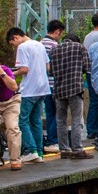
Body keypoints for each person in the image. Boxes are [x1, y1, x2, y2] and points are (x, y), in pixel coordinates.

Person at [7, 27, 49, 164]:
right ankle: (39, 152)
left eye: (12, 43)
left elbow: (24, 69)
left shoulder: (23, 47)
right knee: (36, 121)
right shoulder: (40, 45)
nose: (14, 47)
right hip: (42, 88)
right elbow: (47, 67)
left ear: (15, 37)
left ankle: (31, 150)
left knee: (22, 121)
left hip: (29, 89)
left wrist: (9, 74)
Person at [49, 33, 91, 159]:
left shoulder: (54, 49)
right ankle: (77, 149)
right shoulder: (79, 47)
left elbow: (51, 71)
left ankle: (64, 149)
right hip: (75, 88)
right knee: (76, 119)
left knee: (60, 120)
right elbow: (87, 67)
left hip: (59, 89)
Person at [40, 20, 65, 153]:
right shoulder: (55, 45)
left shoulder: (39, 43)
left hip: (42, 84)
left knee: (49, 113)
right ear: (57, 32)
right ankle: (54, 141)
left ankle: (49, 141)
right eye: (60, 34)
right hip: (54, 84)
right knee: (58, 114)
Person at [83, 12, 98, 140]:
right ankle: (95, 129)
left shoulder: (88, 36)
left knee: (94, 101)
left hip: (89, 71)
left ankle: (91, 128)